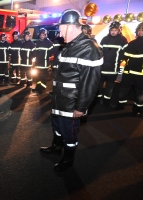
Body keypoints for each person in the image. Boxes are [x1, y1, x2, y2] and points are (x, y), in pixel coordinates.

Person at [39, 9, 102, 172]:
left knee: (69, 131)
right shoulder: (70, 44)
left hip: (71, 102)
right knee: (57, 126)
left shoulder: (89, 48)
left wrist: (81, 107)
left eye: (60, 27)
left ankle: (68, 159)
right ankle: (56, 146)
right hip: (59, 97)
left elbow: (91, 83)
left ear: (69, 26)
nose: (59, 32)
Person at [98, 22, 128, 108]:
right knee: (99, 85)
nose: (113, 32)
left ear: (119, 30)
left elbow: (125, 53)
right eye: (112, 30)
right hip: (102, 68)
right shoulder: (104, 39)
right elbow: (99, 52)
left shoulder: (123, 40)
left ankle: (106, 101)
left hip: (113, 69)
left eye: (115, 30)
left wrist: (121, 60)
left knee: (110, 86)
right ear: (109, 30)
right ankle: (98, 99)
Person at [117, 22, 143, 116]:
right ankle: (120, 104)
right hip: (128, 71)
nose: (141, 32)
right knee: (124, 89)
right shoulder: (132, 43)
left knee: (139, 92)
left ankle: (138, 108)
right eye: (139, 30)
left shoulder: (133, 43)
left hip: (140, 73)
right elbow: (125, 55)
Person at [33, 28, 54, 94]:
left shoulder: (48, 42)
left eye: (43, 35)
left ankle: (42, 88)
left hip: (44, 63)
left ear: (45, 35)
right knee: (37, 76)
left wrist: (46, 56)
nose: (42, 36)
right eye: (41, 35)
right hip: (38, 63)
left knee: (43, 77)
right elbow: (35, 51)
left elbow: (51, 52)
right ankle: (38, 87)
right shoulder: (38, 42)